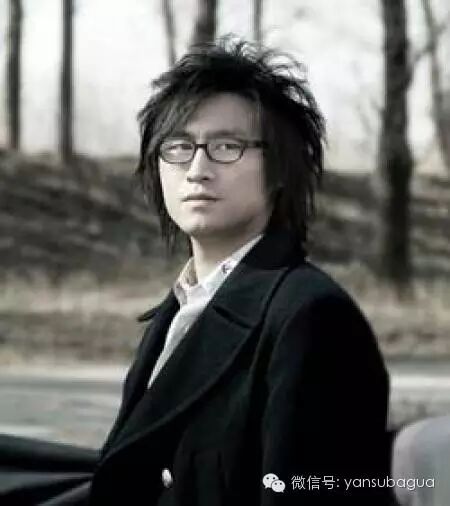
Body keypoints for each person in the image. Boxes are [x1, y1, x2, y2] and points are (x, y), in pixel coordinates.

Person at [0, 37, 390, 505]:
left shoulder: (311, 317)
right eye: (179, 147)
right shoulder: (183, 306)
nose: (197, 169)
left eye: (227, 146)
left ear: (280, 169)